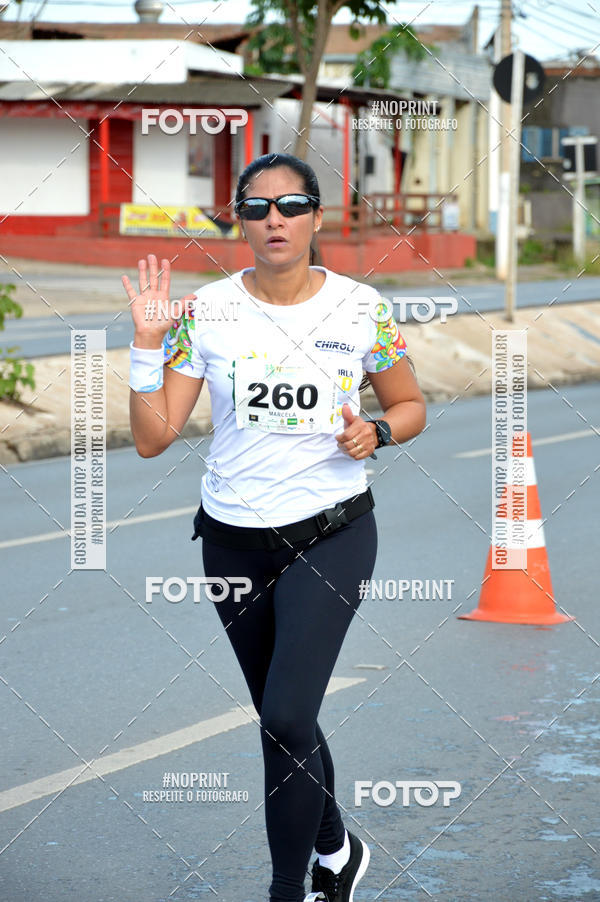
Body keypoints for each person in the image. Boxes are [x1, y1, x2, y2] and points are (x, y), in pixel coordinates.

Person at [123, 152, 426, 902]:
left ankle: (288, 890)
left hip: (332, 533)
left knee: (286, 714)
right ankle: (337, 849)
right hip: (232, 542)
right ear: (240, 222)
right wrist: (146, 346)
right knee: (283, 719)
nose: (274, 220)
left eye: (291, 206)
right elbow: (154, 437)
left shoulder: (361, 308)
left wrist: (378, 432)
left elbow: (411, 405)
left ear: (318, 217)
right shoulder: (207, 312)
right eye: (256, 208)